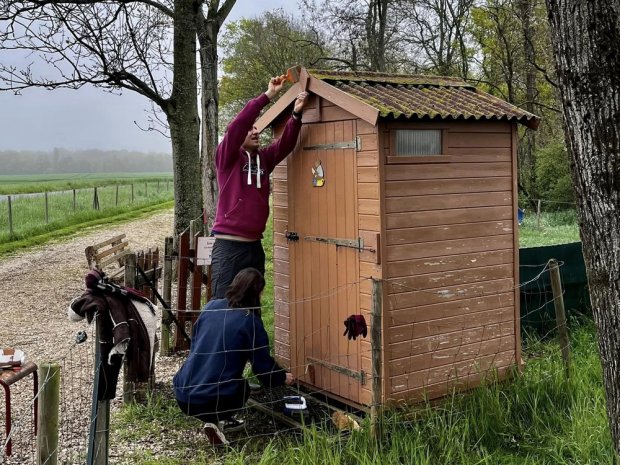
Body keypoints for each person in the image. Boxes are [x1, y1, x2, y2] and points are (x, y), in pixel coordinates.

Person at [210, 75, 308, 298]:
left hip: (254, 248)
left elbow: (286, 144)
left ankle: (251, 334)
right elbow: (237, 126)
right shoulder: (227, 158)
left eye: (257, 129)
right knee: (223, 306)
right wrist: (268, 96)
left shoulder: (263, 159)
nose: (255, 132)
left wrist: (296, 114)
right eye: (250, 130)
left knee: (251, 306)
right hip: (229, 248)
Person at [173, 268, 295, 445]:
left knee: (216, 377)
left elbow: (195, 343)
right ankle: (220, 419)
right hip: (212, 398)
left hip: (183, 391)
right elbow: (262, 368)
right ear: (256, 293)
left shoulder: (211, 306)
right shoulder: (250, 321)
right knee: (242, 387)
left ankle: (215, 423)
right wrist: (281, 376)